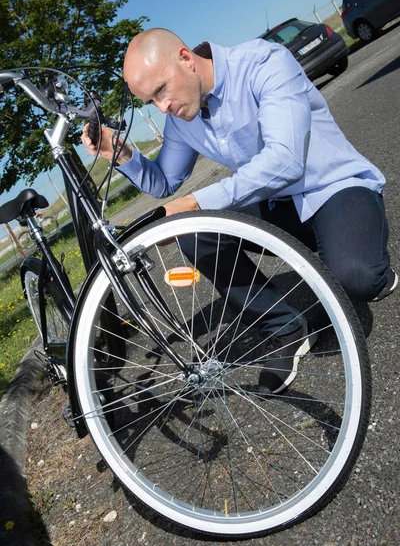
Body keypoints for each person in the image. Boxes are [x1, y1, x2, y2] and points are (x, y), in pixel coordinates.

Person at [81, 28, 397, 394]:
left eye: (161, 90)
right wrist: (119, 152)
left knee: (357, 279)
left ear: (185, 58)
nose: (162, 107)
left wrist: (197, 202)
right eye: (150, 101)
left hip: (334, 188)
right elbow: (164, 182)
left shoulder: (264, 63)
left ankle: (364, 255)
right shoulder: (182, 119)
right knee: (194, 231)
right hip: (279, 209)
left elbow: (286, 160)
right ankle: (283, 327)